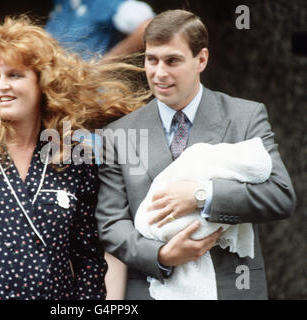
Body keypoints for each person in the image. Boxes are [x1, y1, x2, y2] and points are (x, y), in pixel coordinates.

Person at [0, 15, 148, 300]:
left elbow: (89, 262)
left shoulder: (73, 159)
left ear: (43, 82)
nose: (1, 86)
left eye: (14, 75)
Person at [96, 9, 296, 300]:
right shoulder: (117, 133)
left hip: (232, 287)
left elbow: (280, 195)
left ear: (201, 59)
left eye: (172, 60)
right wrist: (162, 254)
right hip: (152, 288)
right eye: (152, 59)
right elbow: (111, 223)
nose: (159, 72)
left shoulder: (244, 116)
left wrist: (203, 195)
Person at [45, 0, 155, 60]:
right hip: (61, 89)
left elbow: (150, 27)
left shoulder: (104, 3)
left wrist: (107, 62)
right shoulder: (61, 4)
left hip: (91, 91)